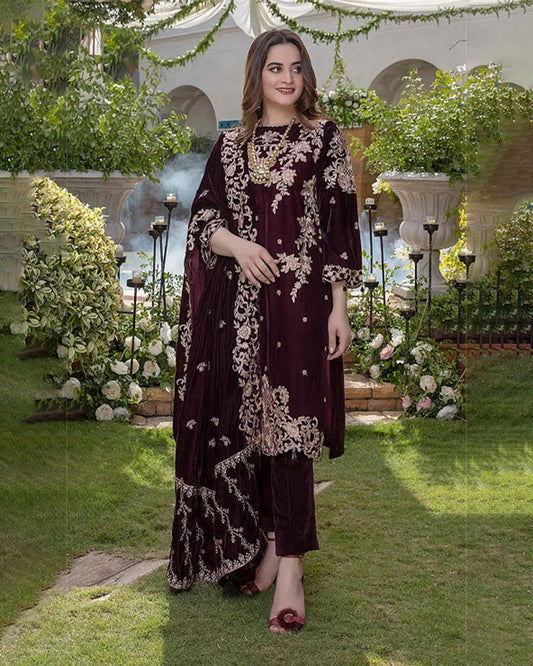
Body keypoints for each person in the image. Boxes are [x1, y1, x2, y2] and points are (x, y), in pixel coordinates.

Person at [167, 28, 362, 634]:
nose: (287, 78)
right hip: (242, 312)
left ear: (306, 76)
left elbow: (339, 224)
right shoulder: (231, 145)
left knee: (294, 430)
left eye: (296, 67)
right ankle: (272, 546)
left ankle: (292, 571)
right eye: (275, 67)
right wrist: (240, 245)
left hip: (302, 307)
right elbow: (204, 219)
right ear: (257, 75)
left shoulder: (324, 138)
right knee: (252, 430)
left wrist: (338, 307)